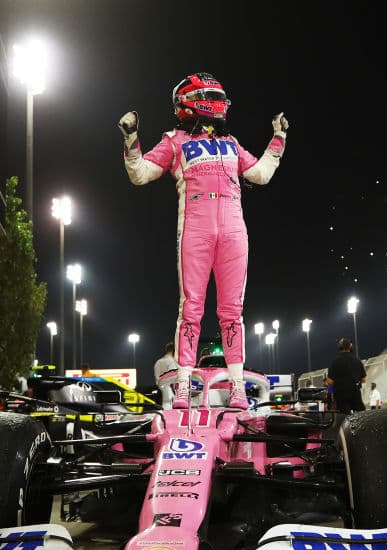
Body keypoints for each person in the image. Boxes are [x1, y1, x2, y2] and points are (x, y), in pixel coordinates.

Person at [119, 72, 288, 410]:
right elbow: (140, 174)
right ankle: (184, 386)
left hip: (233, 230)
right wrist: (131, 139)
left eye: (217, 96)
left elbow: (261, 174)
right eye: (209, 96)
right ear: (188, 102)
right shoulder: (173, 141)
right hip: (195, 230)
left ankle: (237, 387)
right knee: (191, 309)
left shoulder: (232, 143)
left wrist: (278, 137)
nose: (217, 103)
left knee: (232, 311)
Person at [327, 338, 366, 413]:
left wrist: (330, 392)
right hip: (355, 392)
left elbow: (330, 382)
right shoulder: (357, 360)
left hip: (341, 394)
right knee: (360, 415)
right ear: (350, 347)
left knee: (344, 418)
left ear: (339, 347)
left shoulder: (335, 362)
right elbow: (363, 379)